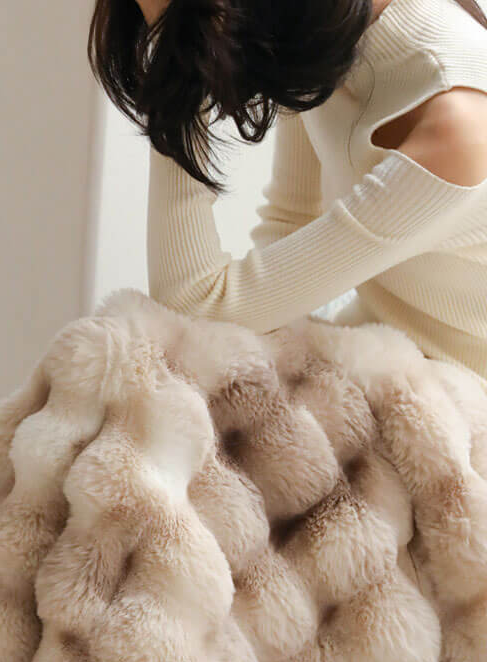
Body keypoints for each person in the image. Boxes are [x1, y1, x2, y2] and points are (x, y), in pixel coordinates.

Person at [90, 0, 487, 381]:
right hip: (380, 362)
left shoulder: (458, 123)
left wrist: (176, 54)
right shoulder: (328, 29)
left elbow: (193, 306)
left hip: (459, 402)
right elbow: (291, 218)